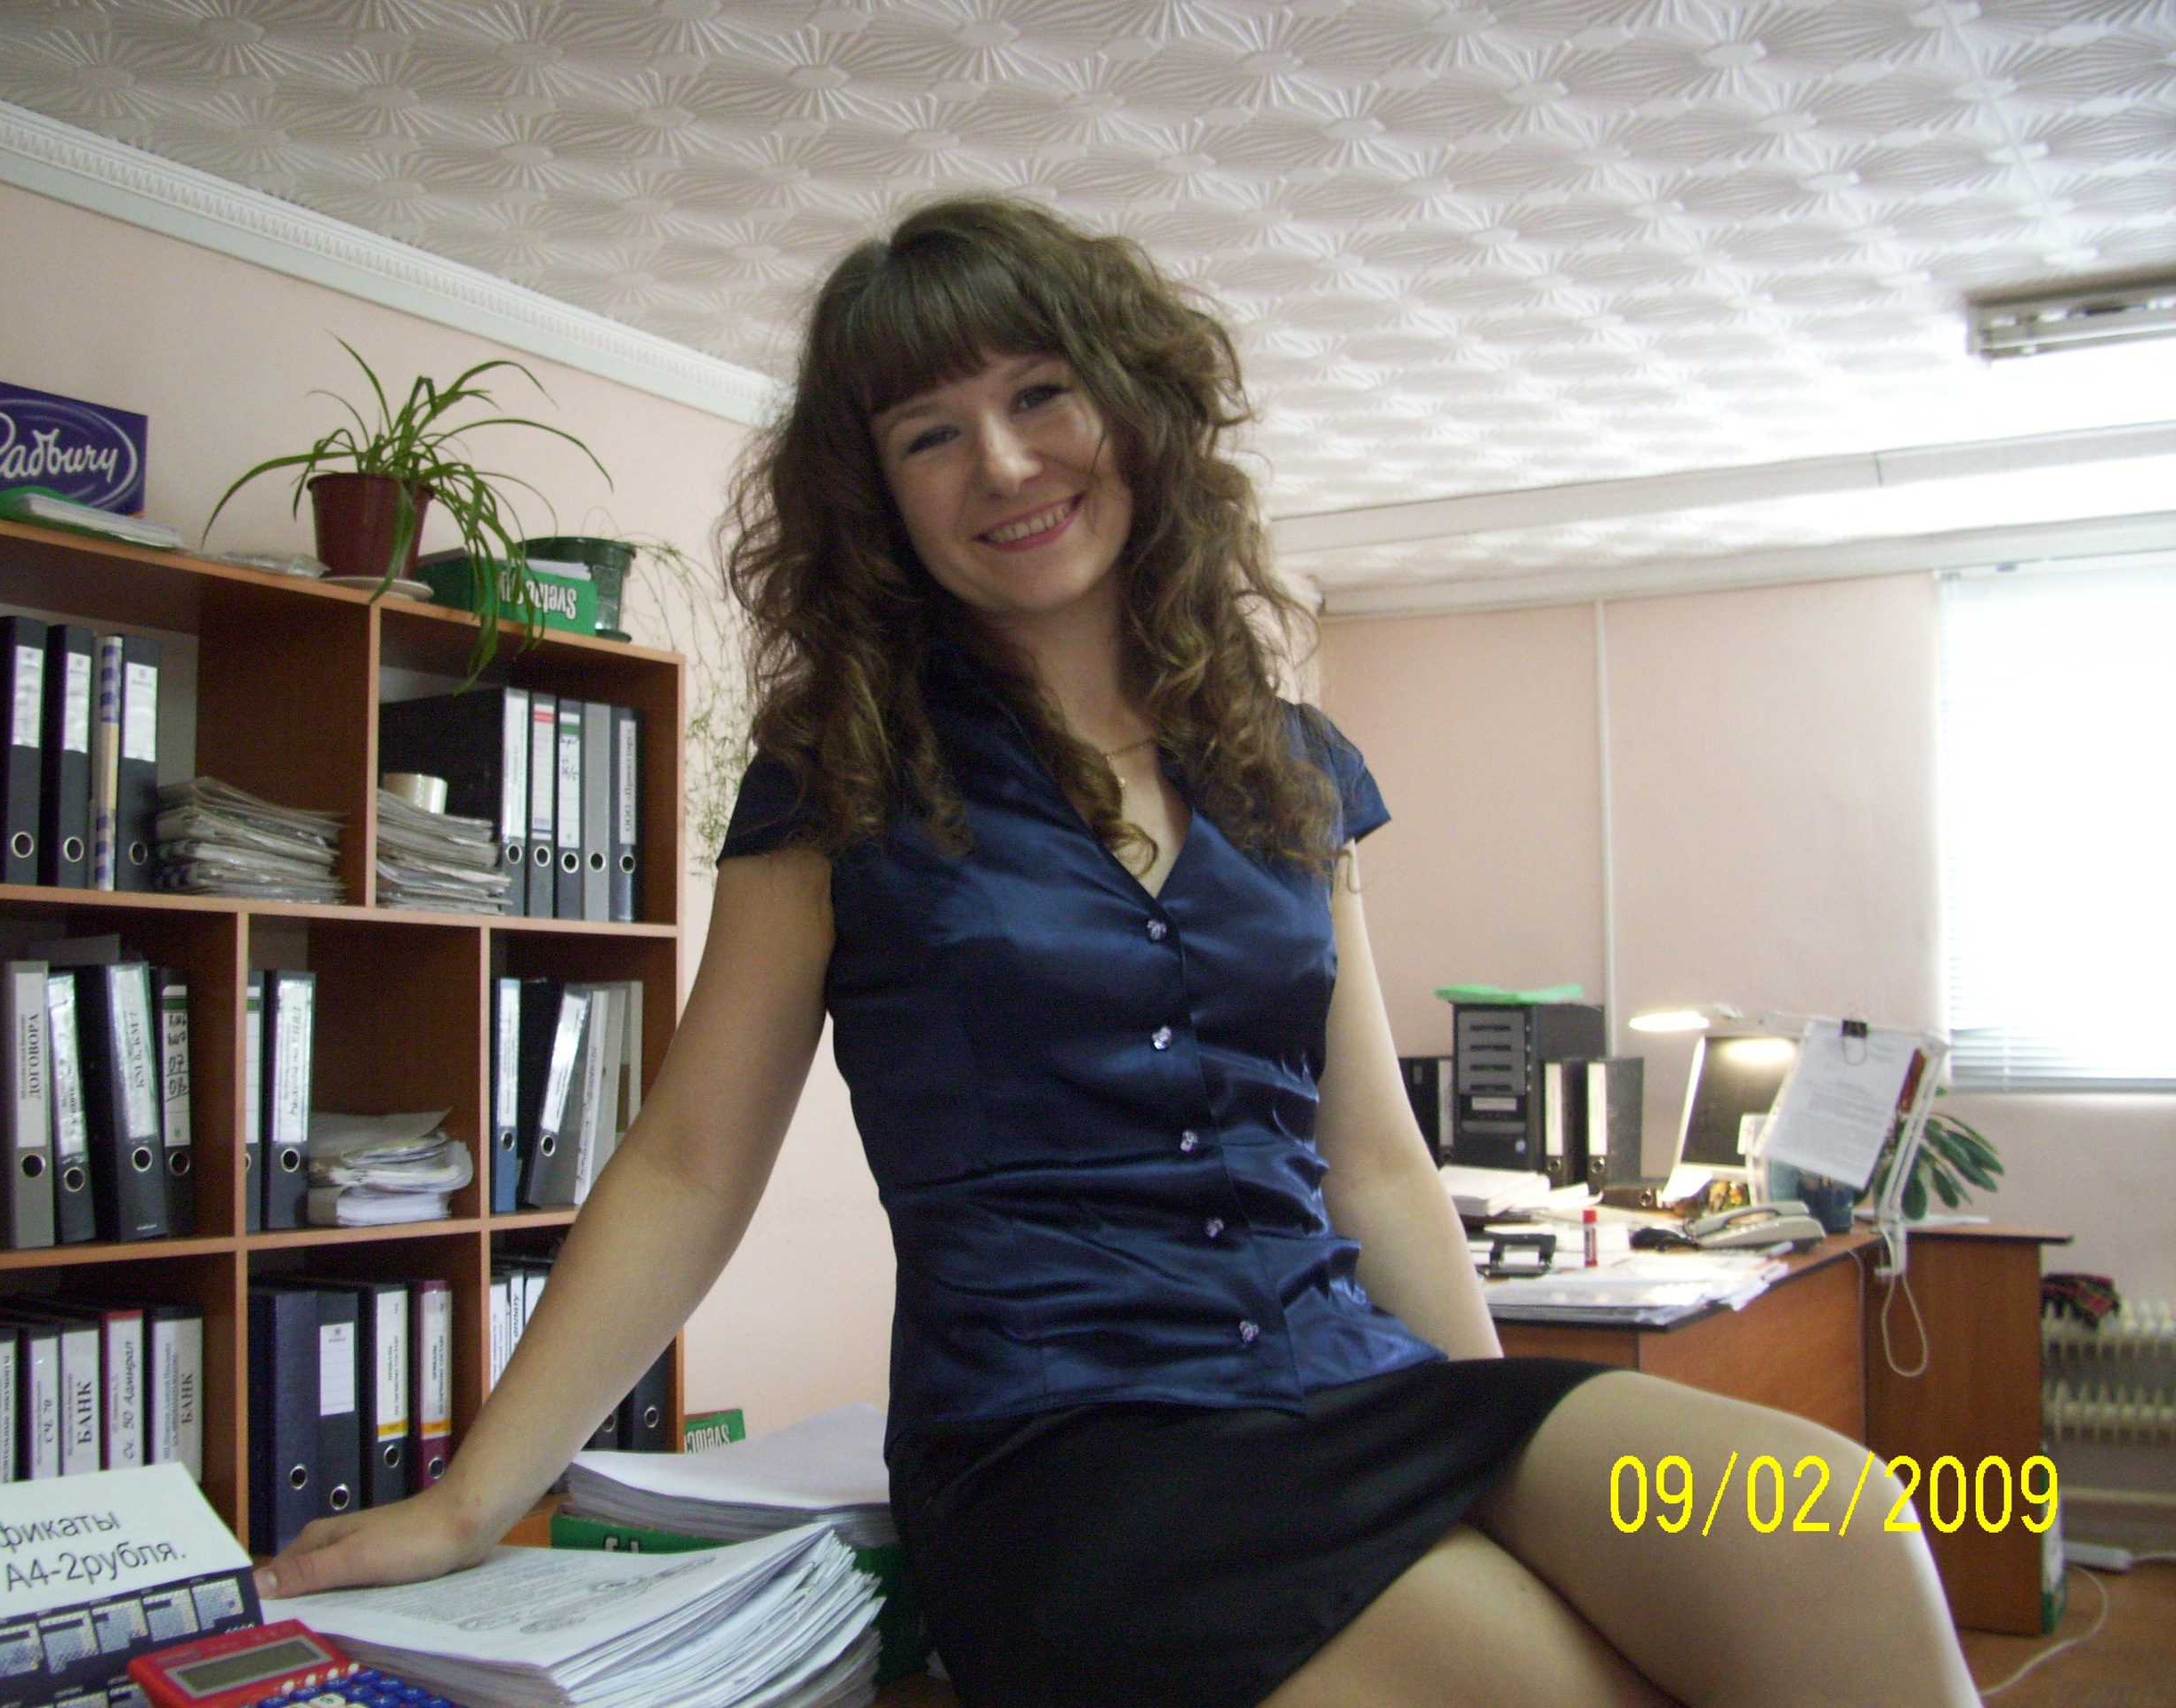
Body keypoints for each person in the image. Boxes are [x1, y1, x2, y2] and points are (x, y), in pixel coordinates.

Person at [263, 198, 1982, 1708]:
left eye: (1038, 394)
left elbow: (1375, 1163)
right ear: (877, 499)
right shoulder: (839, 777)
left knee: (1828, 1515)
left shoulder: (1291, 766)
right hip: (1070, 1460)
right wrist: (474, 1498)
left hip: (1350, 1387)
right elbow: (690, 1166)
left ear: (1131, 407)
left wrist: (1482, 1461)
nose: (1004, 465)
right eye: (930, 434)